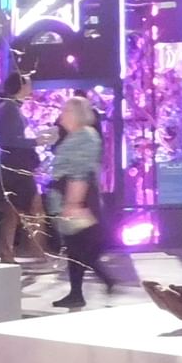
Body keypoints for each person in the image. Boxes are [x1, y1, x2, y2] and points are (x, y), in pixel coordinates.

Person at [47, 93, 119, 309]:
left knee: (82, 245)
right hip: (70, 198)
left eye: (66, 111)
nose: (62, 115)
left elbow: (80, 172)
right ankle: (82, 290)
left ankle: (89, 286)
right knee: (76, 247)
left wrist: (73, 202)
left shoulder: (85, 137)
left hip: (78, 199)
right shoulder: (76, 136)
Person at [0, 70, 45, 263]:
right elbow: (9, 140)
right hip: (15, 166)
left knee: (18, 210)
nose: (31, 88)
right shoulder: (9, 108)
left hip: (16, 165)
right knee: (23, 208)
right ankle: (29, 252)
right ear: (20, 86)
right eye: (28, 84)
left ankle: (18, 252)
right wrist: (35, 142)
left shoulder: (10, 107)